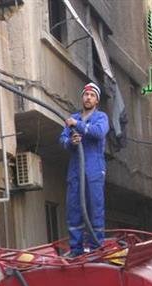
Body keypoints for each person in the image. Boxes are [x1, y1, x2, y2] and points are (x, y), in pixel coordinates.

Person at [59, 82, 110, 256]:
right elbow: (62, 139)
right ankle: (76, 249)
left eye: (92, 95)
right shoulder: (72, 118)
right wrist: (71, 142)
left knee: (95, 208)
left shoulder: (101, 117)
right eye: (86, 94)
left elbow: (99, 132)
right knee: (74, 208)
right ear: (82, 97)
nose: (88, 98)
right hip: (75, 169)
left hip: (94, 169)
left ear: (97, 100)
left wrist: (78, 125)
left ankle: (96, 249)